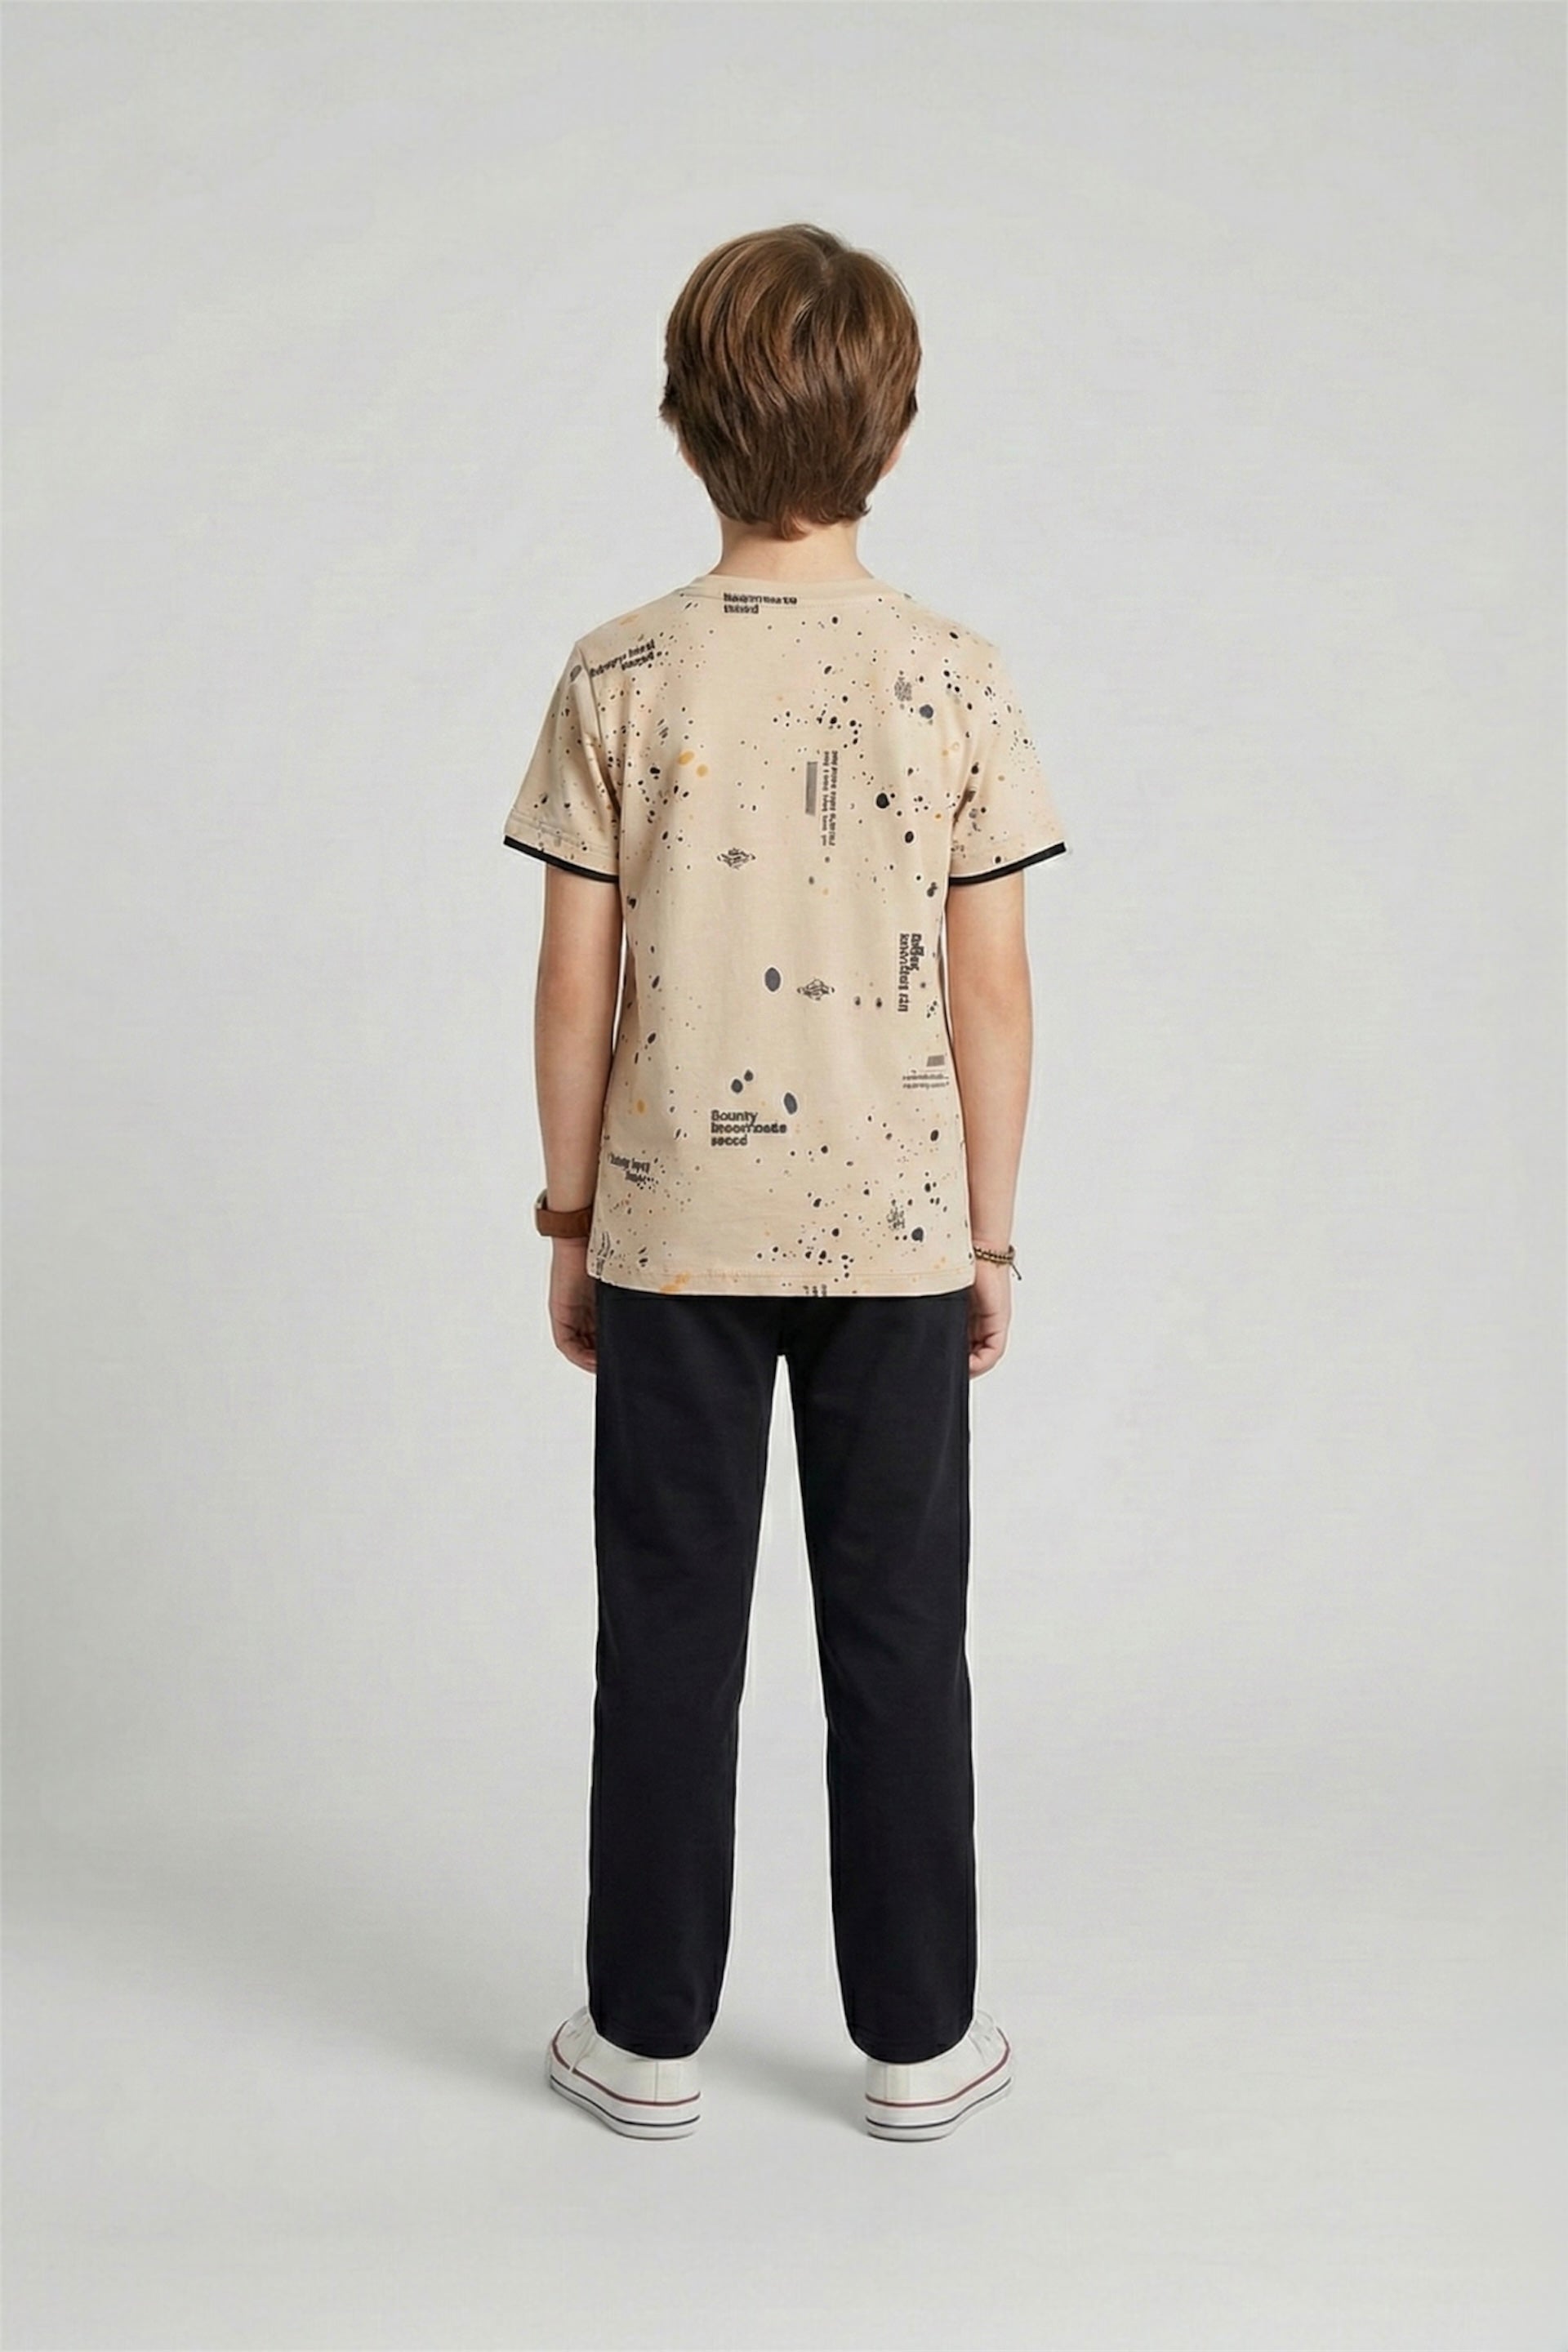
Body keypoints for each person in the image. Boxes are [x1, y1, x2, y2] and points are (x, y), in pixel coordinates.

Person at [505, 224, 1071, 2142]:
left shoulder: (620, 669)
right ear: (894, 430)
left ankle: (645, 2039)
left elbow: (575, 975)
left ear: (684, 423)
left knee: (668, 1630)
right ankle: (919, 2043)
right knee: (899, 1636)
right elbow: (993, 981)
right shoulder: (957, 677)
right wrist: (989, 1235)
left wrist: (570, 1215)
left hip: (673, 1222)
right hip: (898, 1229)